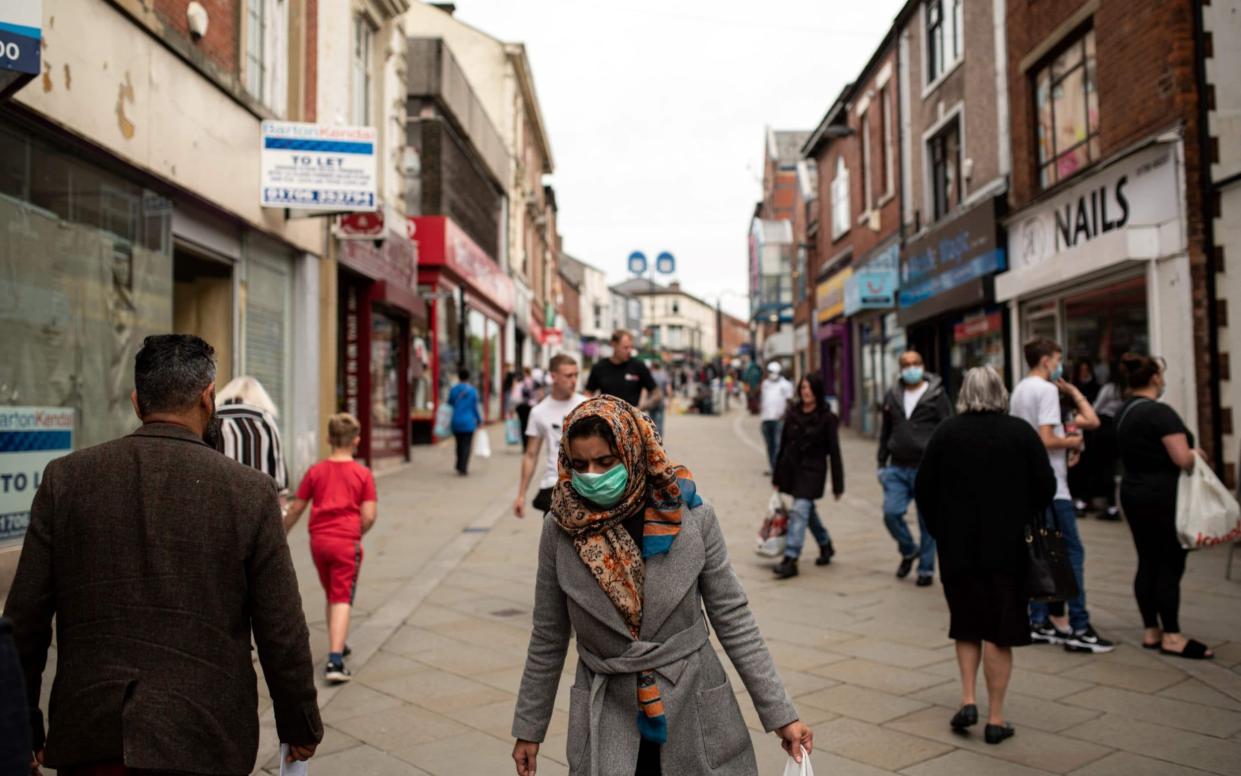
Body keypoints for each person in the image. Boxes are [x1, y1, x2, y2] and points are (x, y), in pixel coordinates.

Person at [3, 334, 321, 774]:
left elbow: (24, 623)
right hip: (204, 737)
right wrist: (299, 723)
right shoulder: (249, 492)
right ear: (208, 398)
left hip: (92, 736)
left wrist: (25, 729)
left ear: (137, 402)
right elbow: (281, 629)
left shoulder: (66, 480)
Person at [510, 395, 813, 776]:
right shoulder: (560, 529)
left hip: (694, 705)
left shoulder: (692, 518)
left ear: (633, 452)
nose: (591, 475)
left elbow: (734, 619)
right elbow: (548, 637)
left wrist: (781, 714)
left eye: (605, 462)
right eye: (580, 464)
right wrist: (529, 728)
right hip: (606, 711)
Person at [915, 366, 1056, 746]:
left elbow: (923, 488)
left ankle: (967, 700)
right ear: (1000, 392)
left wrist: (941, 528)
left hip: (958, 549)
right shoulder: (1020, 433)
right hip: (1008, 550)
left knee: (965, 624)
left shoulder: (947, 433)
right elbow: (1046, 486)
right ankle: (996, 718)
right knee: (1000, 631)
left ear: (964, 393)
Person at [1010, 337, 1114, 654]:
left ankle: (1039, 620)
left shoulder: (1020, 390)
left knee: (1043, 553)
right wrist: (1071, 443)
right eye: (1057, 358)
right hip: (1054, 486)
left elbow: (1091, 419)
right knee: (1071, 554)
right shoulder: (1044, 391)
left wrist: (1072, 392)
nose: (1059, 364)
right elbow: (1046, 438)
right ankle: (1080, 626)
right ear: (1045, 361)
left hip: (1030, 485)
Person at [1114, 354, 1215, 659]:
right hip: (1164, 495)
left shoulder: (1124, 412)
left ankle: (1151, 630)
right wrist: (1198, 453)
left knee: (1147, 560)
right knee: (1170, 562)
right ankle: (1172, 635)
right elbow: (1181, 458)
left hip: (1133, 492)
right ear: (1156, 378)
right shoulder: (1161, 413)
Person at [284, 413, 379, 682]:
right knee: (341, 596)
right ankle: (335, 661)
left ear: (328, 439)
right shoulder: (362, 474)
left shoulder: (315, 471)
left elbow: (297, 507)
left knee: (332, 592)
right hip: (345, 542)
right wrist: (355, 533)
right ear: (357, 440)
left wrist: (282, 533)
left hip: (319, 543)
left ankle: (339, 640)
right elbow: (370, 515)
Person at [876, 350, 952, 587]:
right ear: (900, 370)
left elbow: (948, 428)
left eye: (915, 363)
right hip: (897, 466)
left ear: (923, 365)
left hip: (926, 467)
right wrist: (881, 462)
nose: (912, 368)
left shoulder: (937, 394)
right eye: (906, 365)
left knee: (927, 522)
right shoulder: (892, 395)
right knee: (891, 513)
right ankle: (909, 550)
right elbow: (886, 430)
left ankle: (926, 569)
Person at [771, 372, 844, 579]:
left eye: (810, 388)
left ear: (818, 391)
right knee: (806, 512)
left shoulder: (828, 418)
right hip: (792, 471)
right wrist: (777, 476)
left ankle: (791, 558)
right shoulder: (793, 413)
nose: (806, 392)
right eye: (803, 388)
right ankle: (825, 544)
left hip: (813, 472)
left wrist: (838, 484)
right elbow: (783, 445)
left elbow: (835, 453)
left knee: (800, 510)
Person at [514, 354, 587, 518]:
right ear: (553, 377)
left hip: (585, 483)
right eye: (568, 376)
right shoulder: (539, 412)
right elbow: (531, 455)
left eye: (576, 375)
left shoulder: (586, 405)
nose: (574, 380)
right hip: (553, 484)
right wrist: (521, 495)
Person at [215, 375, 289, 503]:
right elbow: (277, 464)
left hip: (221, 497)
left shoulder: (214, 418)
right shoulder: (264, 418)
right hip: (257, 500)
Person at [585, 329, 663, 411]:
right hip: (606, 420)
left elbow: (657, 395)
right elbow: (587, 394)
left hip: (631, 420)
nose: (629, 351)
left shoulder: (638, 366)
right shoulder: (599, 367)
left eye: (631, 347)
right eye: (626, 347)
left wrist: (639, 409)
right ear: (614, 345)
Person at [1090, 370, 1125, 520]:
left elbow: (1096, 407)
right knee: (1113, 467)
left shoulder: (1109, 388)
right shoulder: (1125, 390)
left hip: (1105, 428)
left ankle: (1110, 505)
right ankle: (1113, 505)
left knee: (1106, 468)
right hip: (1119, 427)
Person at [760, 362, 794, 474]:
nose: (771, 374)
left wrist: (784, 415)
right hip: (766, 419)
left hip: (778, 419)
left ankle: (779, 468)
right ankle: (772, 467)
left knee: (778, 444)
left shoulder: (785, 385)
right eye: (770, 372)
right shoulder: (765, 384)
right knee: (770, 445)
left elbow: (789, 402)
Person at [449, 368, 483, 475]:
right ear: (468, 377)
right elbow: (474, 407)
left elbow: (450, 403)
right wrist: (479, 420)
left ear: (459, 377)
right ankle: (463, 466)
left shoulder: (453, 390)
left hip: (456, 421)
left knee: (458, 444)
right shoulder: (472, 391)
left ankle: (459, 464)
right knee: (467, 445)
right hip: (468, 422)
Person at [648, 360, 670, 438]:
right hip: (661, 399)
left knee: (651, 418)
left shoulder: (650, 375)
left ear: (653, 366)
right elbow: (668, 388)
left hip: (652, 399)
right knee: (660, 419)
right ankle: (660, 437)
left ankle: (653, 436)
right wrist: (668, 399)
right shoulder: (664, 374)